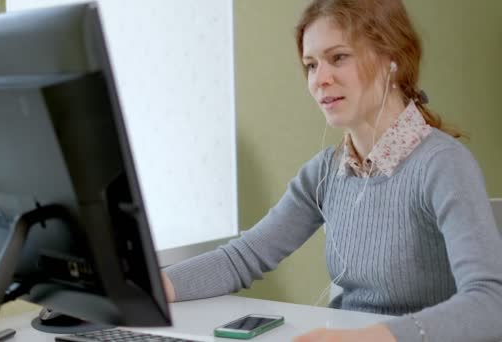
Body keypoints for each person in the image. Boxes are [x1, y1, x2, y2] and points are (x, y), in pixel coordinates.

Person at [162, 0, 502, 341]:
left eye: (338, 57)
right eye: (311, 65)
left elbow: (490, 304)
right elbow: (243, 258)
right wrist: (150, 289)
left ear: (392, 58)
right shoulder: (326, 172)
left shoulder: (443, 165)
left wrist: (371, 338)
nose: (320, 80)